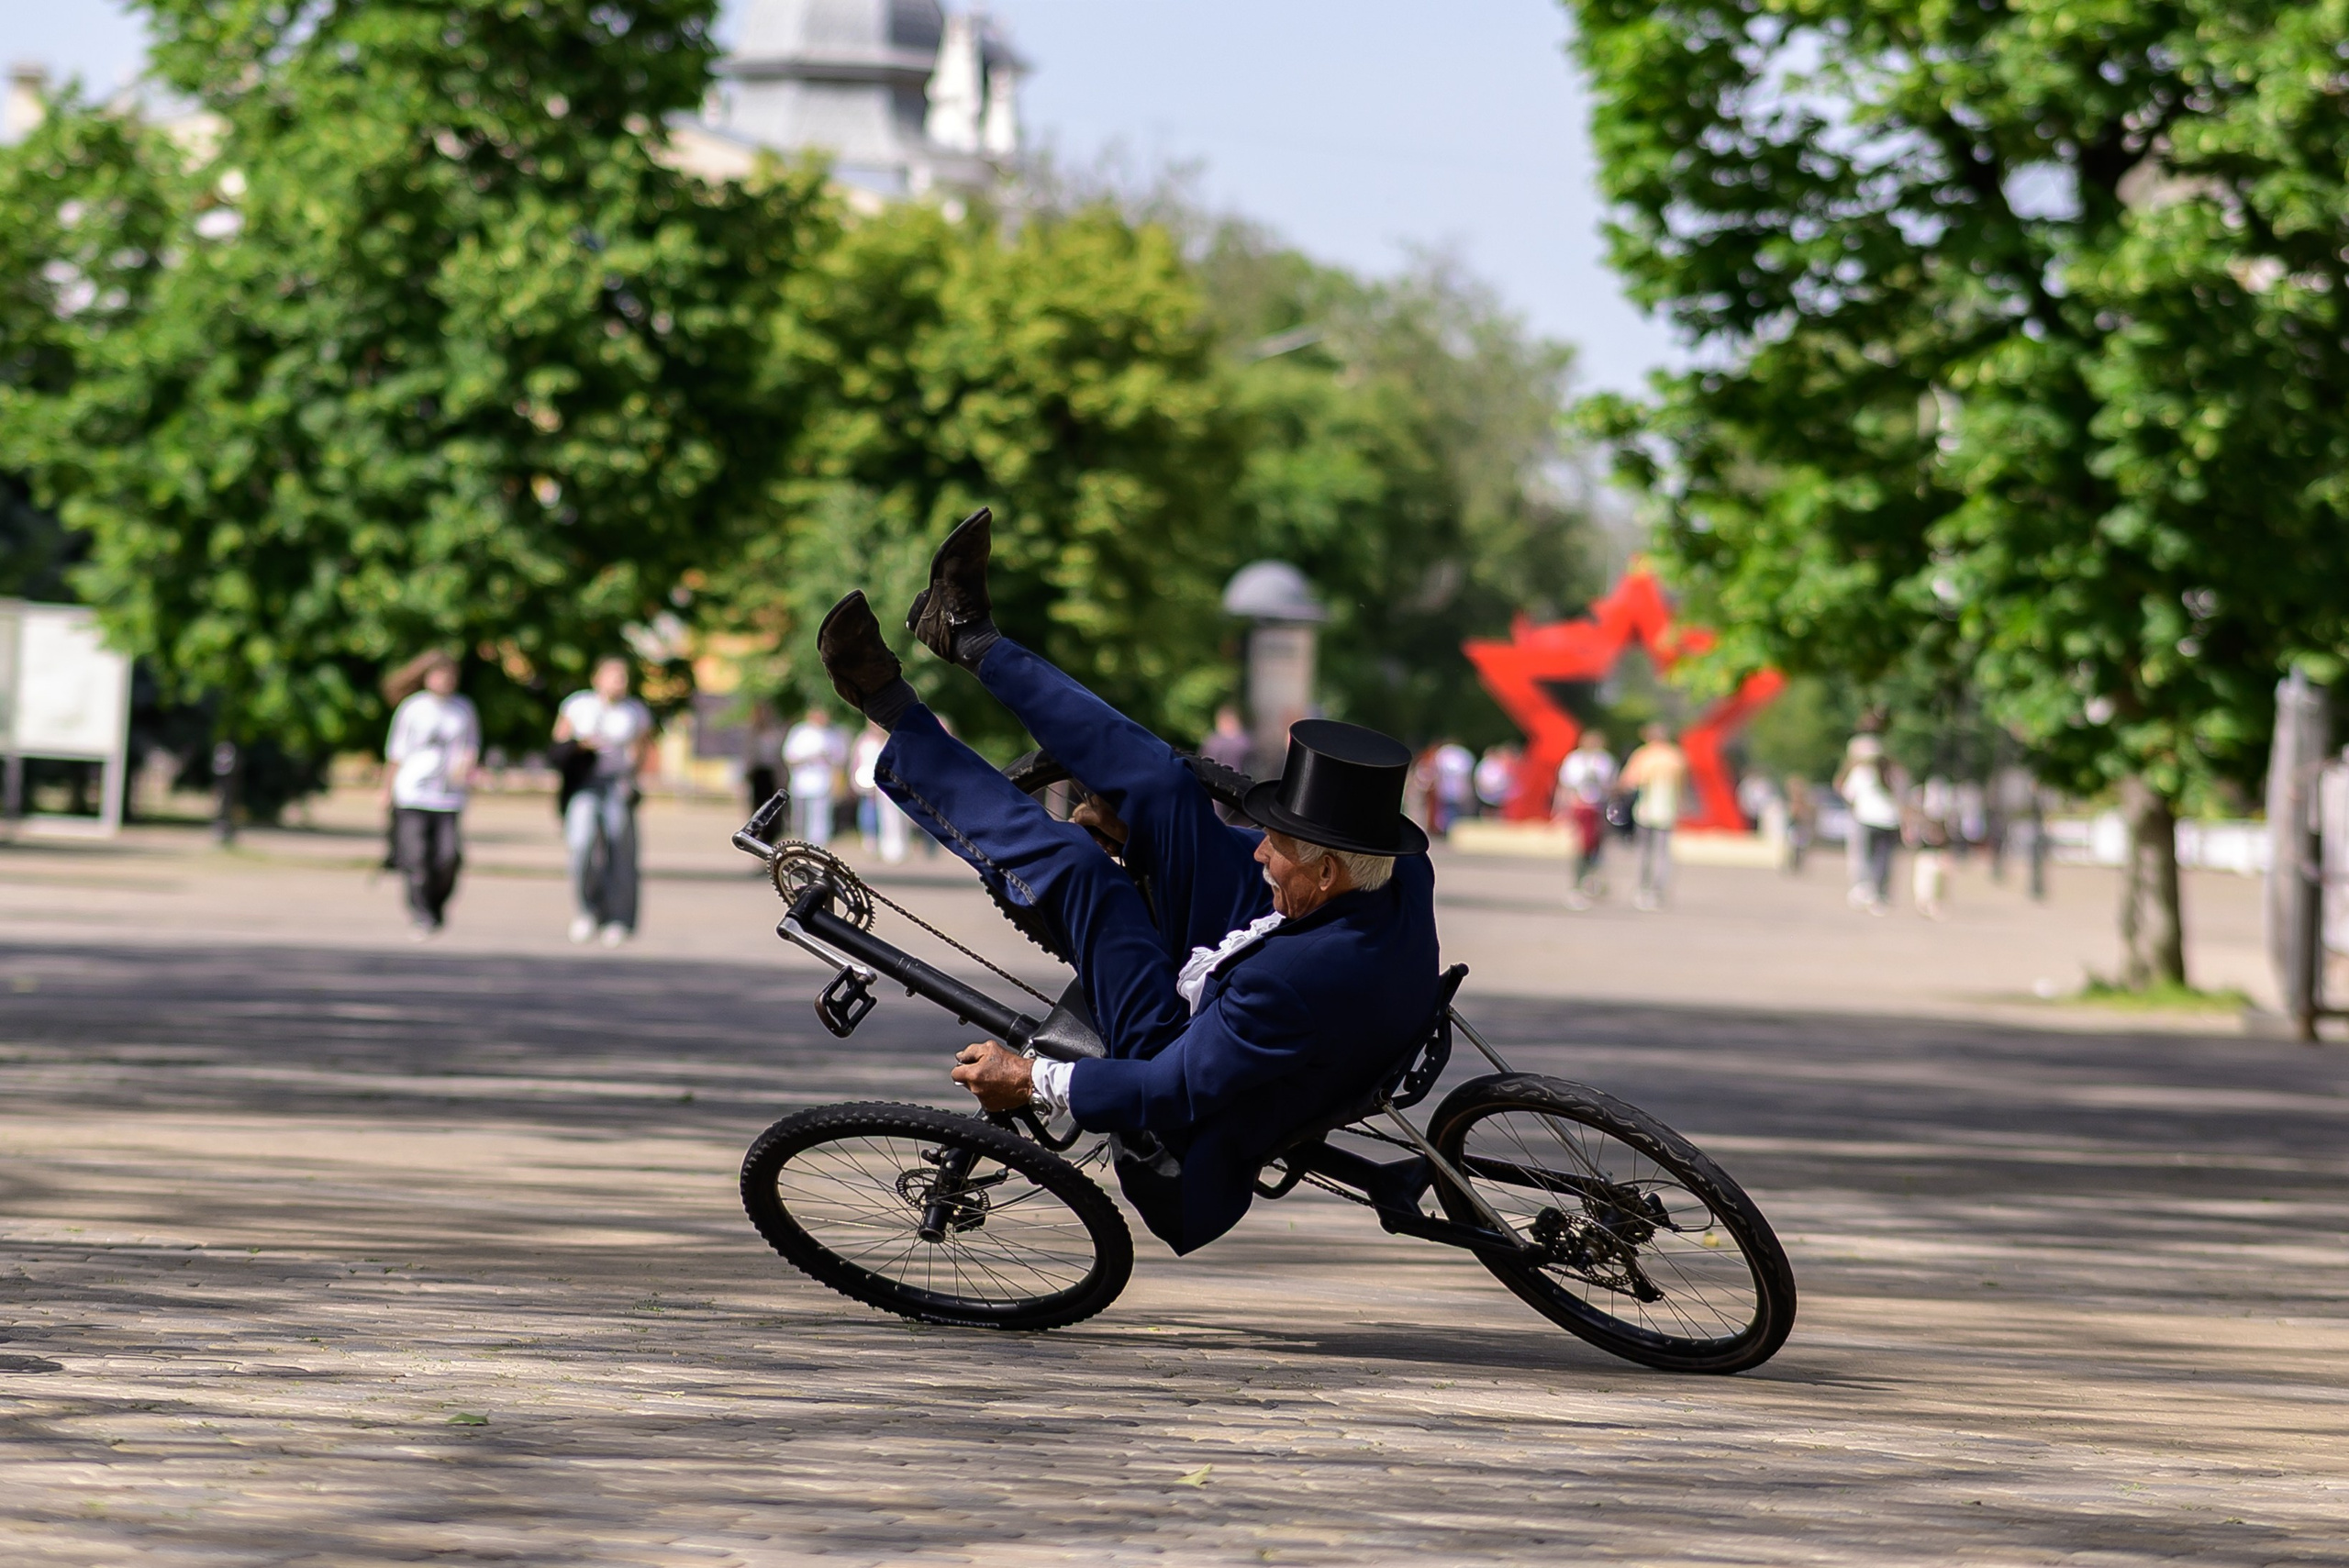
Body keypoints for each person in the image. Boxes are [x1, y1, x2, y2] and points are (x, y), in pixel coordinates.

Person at [814, 506, 1442, 1256]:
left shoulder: (1287, 987)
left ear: (1329, 867)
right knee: (1163, 789)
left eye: (1275, 845)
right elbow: (1251, 856)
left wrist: (1032, 1077)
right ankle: (969, 634)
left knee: (1087, 878)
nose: (1257, 853)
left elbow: (1168, 1090)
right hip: (1272, 960)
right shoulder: (1396, 871)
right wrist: (1143, 830)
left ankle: (890, 708)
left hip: (1174, 1098)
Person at [554, 656, 653, 946]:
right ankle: (586, 911)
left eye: (622, 677)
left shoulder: (634, 711)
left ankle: (618, 918)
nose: (618, 683)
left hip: (617, 785)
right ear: (597, 678)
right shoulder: (578, 705)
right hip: (584, 785)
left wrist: (633, 778)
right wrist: (580, 747)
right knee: (581, 844)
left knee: (619, 848)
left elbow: (642, 747)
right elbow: (558, 744)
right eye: (612, 676)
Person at [382, 651, 478, 939]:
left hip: (448, 796)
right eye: (439, 675)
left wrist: (468, 768)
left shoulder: (464, 709)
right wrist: (386, 789)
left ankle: (437, 905)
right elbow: (396, 753)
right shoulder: (412, 708)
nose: (445, 681)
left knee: (448, 858)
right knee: (416, 858)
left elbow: (471, 747)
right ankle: (421, 913)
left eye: (450, 675)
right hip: (412, 794)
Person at [1617, 722, 1687, 912]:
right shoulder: (1675, 756)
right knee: (1662, 852)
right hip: (1667, 810)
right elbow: (1681, 785)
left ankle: (1643, 888)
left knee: (1644, 851)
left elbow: (1628, 781)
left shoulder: (1644, 756)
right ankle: (1658, 890)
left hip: (1645, 810)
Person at [1835, 734, 1902, 916]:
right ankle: (1880, 894)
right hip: (1889, 821)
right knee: (1883, 859)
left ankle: (1865, 889)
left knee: (1865, 857)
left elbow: (1847, 793)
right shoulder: (1893, 773)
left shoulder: (1861, 773)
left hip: (1866, 819)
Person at [1555, 729, 1617, 908]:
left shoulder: (1604, 761)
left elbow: (1610, 785)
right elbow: (1566, 785)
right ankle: (1577, 884)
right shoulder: (1574, 760)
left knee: (1596, 848)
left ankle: (1592, 883)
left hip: (1597, 807)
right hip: (1580, 807)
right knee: (1581, 847)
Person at [783, 706, 847, 849]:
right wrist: (807, 758)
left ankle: (818, 846)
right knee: (800, 818)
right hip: (801, 782)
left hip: (823, 782)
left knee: (820, 818)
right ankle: (799, 844)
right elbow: (789, 757)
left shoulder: (832, 734)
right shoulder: (800, 732)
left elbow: (840, 760)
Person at [851, 720, 909, 863]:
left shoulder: (892, 741)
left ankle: (896, 848)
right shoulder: (864, 740)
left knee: (894, 815)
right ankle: (884, 847)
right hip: (872, 782)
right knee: (881, 815)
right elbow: (857, 762)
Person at [1197, 706, 1254, 824]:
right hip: (1242, 789)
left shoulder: (1212, 741)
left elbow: (1201, 765)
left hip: (1215, 790)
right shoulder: (1246, 742)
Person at [1431, 740, 1476, 834]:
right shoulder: (1463, 755)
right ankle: (1450, 830)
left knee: (1449, 811)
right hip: (1455, 790)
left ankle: (1448, 830)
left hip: (1447, 789)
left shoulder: (1443, 754)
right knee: (1453, 811)